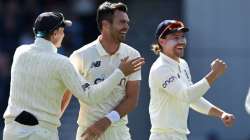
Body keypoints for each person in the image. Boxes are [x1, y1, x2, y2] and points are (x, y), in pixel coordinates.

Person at [3, 11, 144, 140]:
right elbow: (90, 96)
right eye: (62, 31)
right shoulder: (62, 63)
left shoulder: (20, 52)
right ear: (55, 33)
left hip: (11, 130)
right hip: (41, 133)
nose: (64, 35)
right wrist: (120, 72)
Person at [64, 2, 143, 140]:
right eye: (122, 22)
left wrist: (106, 121)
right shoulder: (80, 56)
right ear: (106, 25)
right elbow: (66, 94)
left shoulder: (132, 54)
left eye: (127, 22)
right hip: (88, 132)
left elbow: (132, 99)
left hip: (119, 133)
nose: (126, 27)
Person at [148, 20, 235, 140]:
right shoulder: (161, 68)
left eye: (182, 37)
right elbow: (187, 96)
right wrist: (214, 74)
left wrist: (221, 114)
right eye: (175, 37)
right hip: (163, 136)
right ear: (161, 41)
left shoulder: (182, 64)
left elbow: (193, 98)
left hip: (180, 136)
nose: (181, 41)